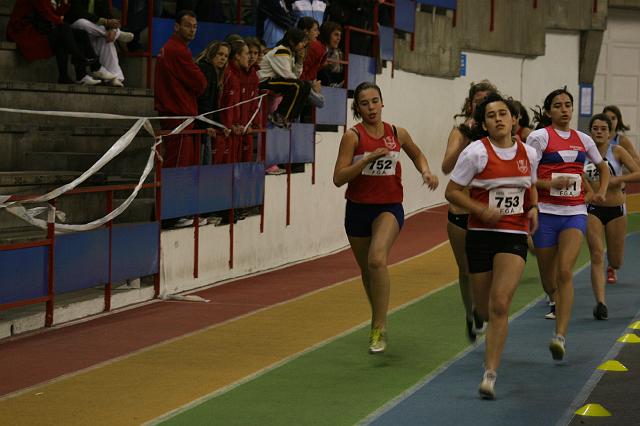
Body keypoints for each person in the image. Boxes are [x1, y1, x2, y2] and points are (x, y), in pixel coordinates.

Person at [333, 82, 439, 354]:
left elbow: (417, 154)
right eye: (365, 103)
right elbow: (338, 178)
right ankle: (377, 318)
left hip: (389, 207)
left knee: (377, 259)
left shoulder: (396, 132)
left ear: (382, 103)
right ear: (357, 108)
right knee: (368, 271)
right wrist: (365, 162)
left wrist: (426, 172)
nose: (371, 108)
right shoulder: (353, 137)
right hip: (357, 209)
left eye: (375, 101)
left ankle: (379, 325)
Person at [445, 92, 539, 400]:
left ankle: (490, 374)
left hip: (513, 234)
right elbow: (452, 191)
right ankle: (476, 311)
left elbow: (530, 186)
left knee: (501, 304)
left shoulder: (529, 153)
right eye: (491, 115)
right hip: (481, 234)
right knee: (485, 309)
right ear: (484, 125)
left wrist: (534, 207)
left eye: (503, 113)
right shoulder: (476, 153)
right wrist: (479, 209)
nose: (498, 118)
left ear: (514, 120)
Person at [527, 88, 609, 360]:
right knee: (549, 280)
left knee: (565, 272)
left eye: (568, 105)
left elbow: (604, 167)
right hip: (546, 213)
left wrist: (601, 191)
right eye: (558, 106)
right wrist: (550, 183)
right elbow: (527, 177)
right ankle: (552, 296)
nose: (564, 109)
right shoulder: (539, 138)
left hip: (575, 213)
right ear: (549, 111)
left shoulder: (583, 140)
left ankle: (560, 336)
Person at [441, 80, 496, 343]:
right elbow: (446, 166)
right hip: (461, 211)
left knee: (488, 268)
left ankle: (483, 307)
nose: (481, 104)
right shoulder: (460, 131)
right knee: (465, 269)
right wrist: (467, 142)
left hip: (487, 211)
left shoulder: (499, 133)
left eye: (487, 100)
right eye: (478, 100)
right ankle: (470, 312)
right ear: (470, 104)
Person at [585, 113, 640, 319]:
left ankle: (613, 267)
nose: (599, 132)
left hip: (616, 210)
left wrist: (618, 180)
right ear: (590, 132)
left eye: (603, 129)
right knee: (597, 254)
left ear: (610, 133)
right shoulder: (584, 153)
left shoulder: (617, 151)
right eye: (595, 128)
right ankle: (600, 303)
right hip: (592, 209)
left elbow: (638, 173)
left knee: (616, 261)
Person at [6, 0, 103, 85]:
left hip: (36, 29)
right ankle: (83, 61)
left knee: (80, 34)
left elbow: (52, 13)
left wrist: (64, 4)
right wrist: (62, 25)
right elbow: (45, 13)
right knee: (64, 30)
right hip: (23, 32)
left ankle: (69, 74)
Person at [601, 105, 640, 283]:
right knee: (595, 242)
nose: (611, 120)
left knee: (616, 252)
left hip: (617, 197)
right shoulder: (593, 142)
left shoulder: (621, 141)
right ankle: (597, 263)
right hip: (596, 200)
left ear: (618, 121)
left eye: (614, 118)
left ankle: (612, 266)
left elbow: (636, 164)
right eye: (607, 117)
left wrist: (619, 177)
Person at [66, 0, 132, 86]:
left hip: (93, 30)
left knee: (106, 40)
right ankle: (117, 34)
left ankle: (115, 78)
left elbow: (106, 13)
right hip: (73, 26)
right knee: (82, 22)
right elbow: (78, 12)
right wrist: (105, 22)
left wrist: (111, 29)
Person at [258, 28, 311, 128]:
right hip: (263, 81)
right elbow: (288, 76)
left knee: (306, 86)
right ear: (291, 41)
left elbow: (295, 76)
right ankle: (279, 115)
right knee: (298, 85)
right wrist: (300, 82)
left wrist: (300, 61)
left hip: (273, 81)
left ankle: (290, 117)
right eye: (300, 42)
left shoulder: (290, 54)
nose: (302, 45)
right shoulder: (281, 50)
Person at [195, 40, 231, 165]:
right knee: (203, 163)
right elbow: (203, 99)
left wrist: (220, 125)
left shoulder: (213, 72)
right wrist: (206, 125)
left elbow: (214, 104)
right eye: (220, 54)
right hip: (199, 125)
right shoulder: (206, 69)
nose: (223, 58)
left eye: (226, 56)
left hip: (204, 123)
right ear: (212, 53)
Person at [317, 21, 344, 88]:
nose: (339, 38)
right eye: (336, 35)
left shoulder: (339, 53)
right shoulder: (317, 49)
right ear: (327, 34)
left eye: (340, 35)